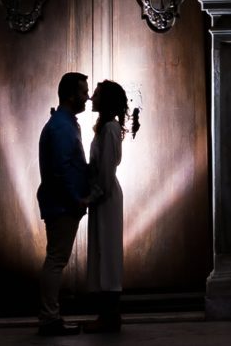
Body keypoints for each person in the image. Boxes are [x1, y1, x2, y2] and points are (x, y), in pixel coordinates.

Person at [35, 71, 91, 336]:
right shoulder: (61, 126)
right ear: (70, 95)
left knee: (56, 258)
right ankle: (49, 319)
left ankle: (50, 317)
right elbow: (61, 169)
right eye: (82, 92)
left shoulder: (64, 123)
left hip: (62, 202)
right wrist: (75, 199)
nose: (87, 97)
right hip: (62, 204)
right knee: (56, 259)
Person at [85, 80, 135, 333]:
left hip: (106, 197)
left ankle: (110, 315)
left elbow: (105, 171)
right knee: (103, 250)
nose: (91, 97)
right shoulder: (105, 128)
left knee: (109, 252)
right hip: (102, 196)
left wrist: (92, 195)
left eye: (95, 94)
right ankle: (106, 315)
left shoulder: (110, 129)